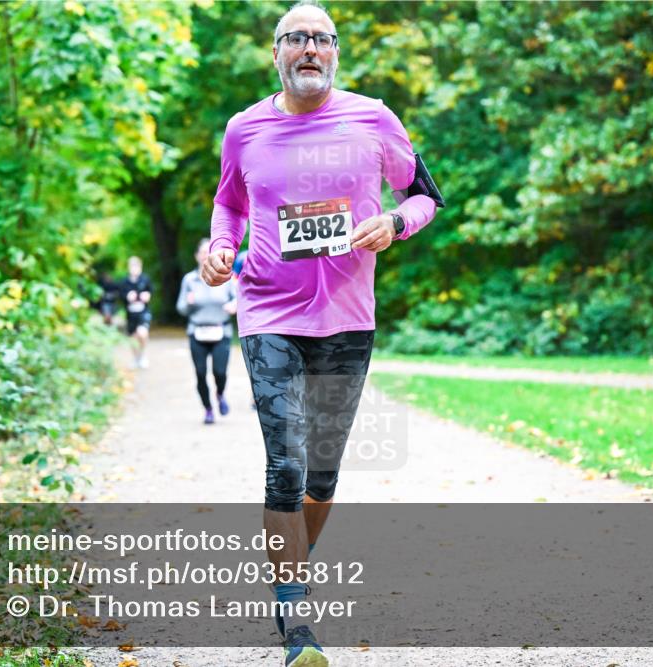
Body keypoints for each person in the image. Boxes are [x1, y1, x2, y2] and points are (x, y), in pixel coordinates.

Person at [201, 1, 439, 664]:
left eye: (322, 38)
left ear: (335, 51)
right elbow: (228, 203)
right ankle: (295, 617)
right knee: (286, 462)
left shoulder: (374, 118)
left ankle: (290, 570)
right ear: (275, 53)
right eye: (296, 38)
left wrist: (396, 223)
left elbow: (425, 195)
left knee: (323, 474)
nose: (310, 48)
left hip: (347, 317)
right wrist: (221, 246)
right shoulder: (244, 129)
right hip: (268, 311)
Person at [177, 238, 238, 425]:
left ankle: (220, 394)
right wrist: (188, 303)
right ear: (197, 256)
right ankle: (208, 409)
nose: (205, 256)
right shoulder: (190, 280)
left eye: (208, 252)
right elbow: (181, 308)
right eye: (202, 252)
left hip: (221, 331)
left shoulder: (226, 277)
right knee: (200, 373)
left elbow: (238, 299)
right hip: (197, 332)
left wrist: (233, 305)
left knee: (220, 372)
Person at [120, 256, 152, 369]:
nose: (135, 268)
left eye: (137, 266)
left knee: (142, 333)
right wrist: (127, 297)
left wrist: (147, 296)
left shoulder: (145, 279)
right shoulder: (124, 282)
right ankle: (136, 358)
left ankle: (142, 356)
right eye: (132, 266)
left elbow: (150, 292)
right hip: (131, 313)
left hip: (143, 312)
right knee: (133, 337)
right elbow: (121, 296)